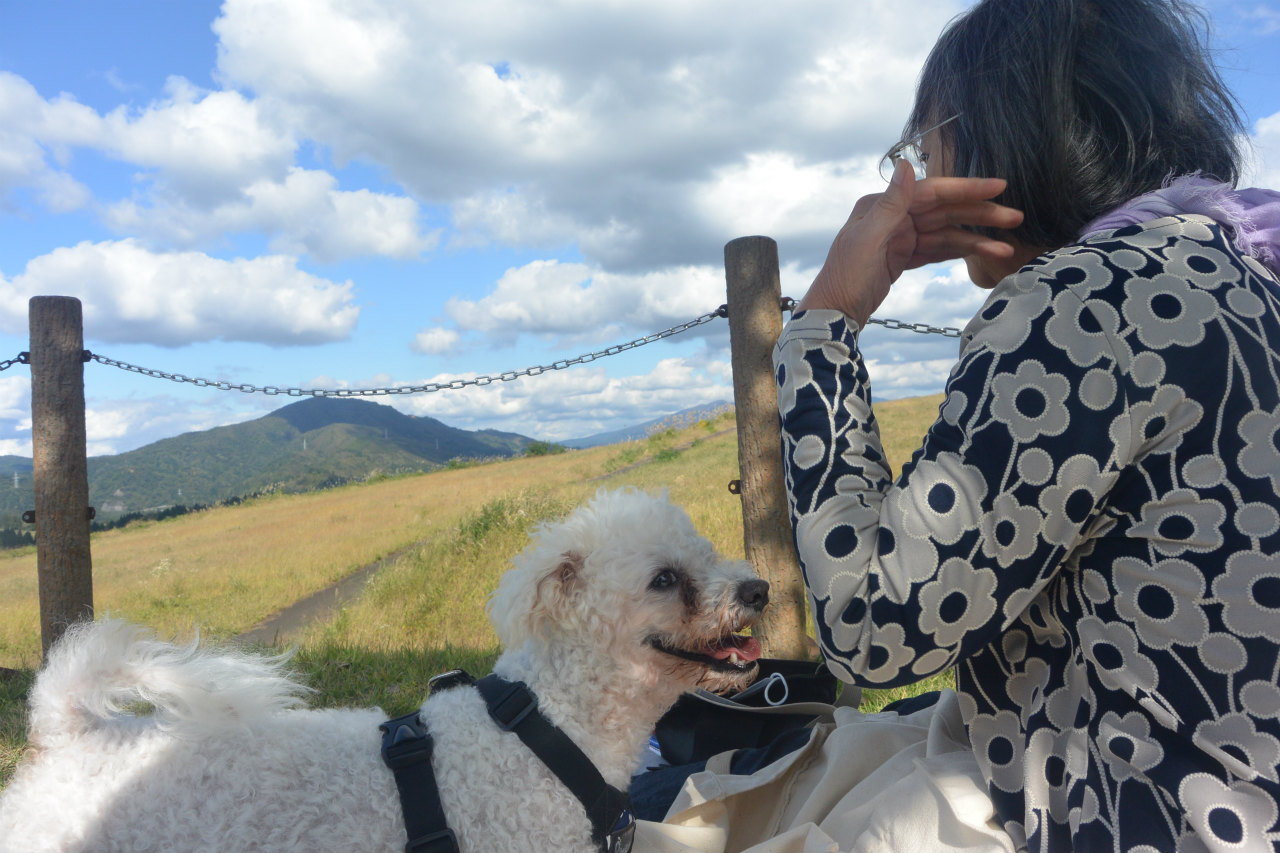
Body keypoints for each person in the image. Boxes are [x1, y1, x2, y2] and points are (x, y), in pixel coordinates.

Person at [773, 0, 1280, 850]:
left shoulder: (1085, 305)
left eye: (919, 148)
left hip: (1158, 817)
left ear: (994, 139)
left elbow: (871, 625)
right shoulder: (1243, 269)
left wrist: (824, 320)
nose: (911, 178)